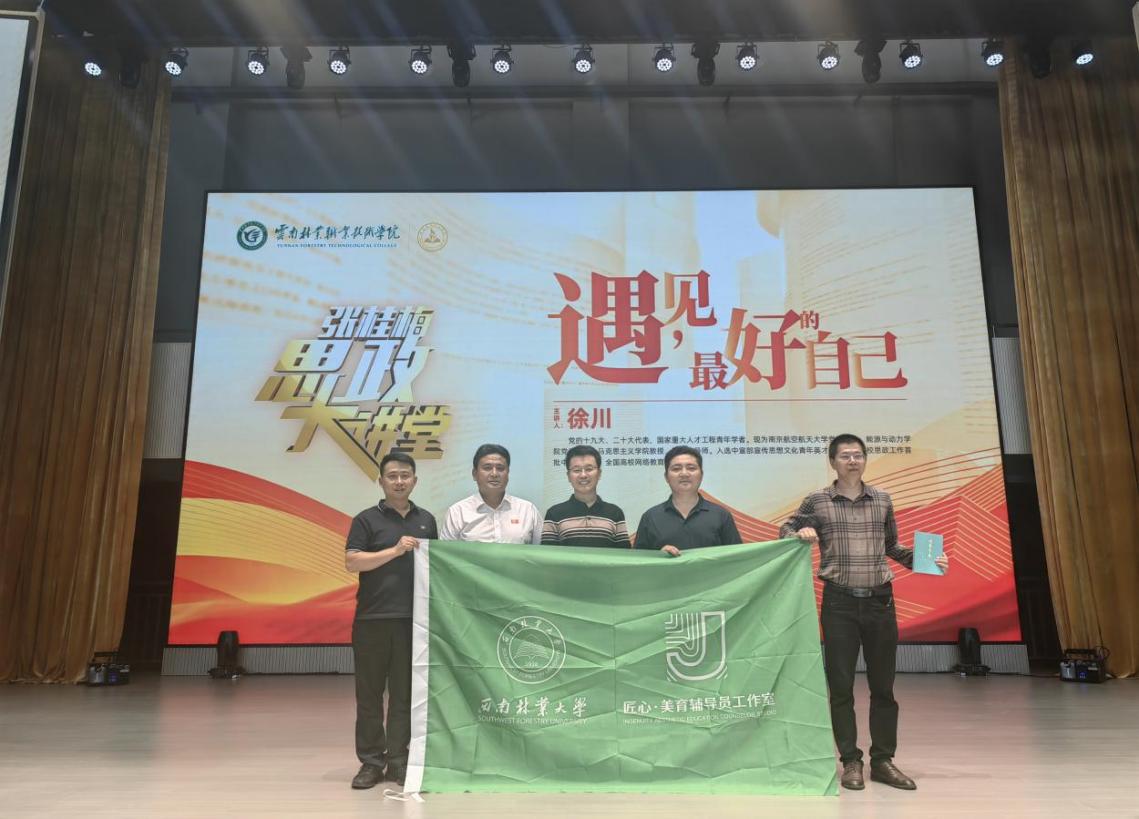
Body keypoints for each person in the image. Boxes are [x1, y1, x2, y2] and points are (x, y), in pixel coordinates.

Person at [780, 433, 949, 792]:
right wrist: (801, 530)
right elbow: (786, 529)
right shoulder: (818, 500)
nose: (852, 461)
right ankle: (851, 761)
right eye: (845, 456)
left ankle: (883, 761)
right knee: (841, 687)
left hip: (880, 602)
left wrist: (927, 561)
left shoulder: (882, 499)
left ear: (865, 460)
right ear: (833, 462)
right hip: (838, 603)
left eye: (858, 455)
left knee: (883, 687)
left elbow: (892, 547)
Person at [344, 452, 438, 790]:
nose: (399, 481)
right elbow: (353, 562)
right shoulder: (366, 520)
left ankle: (399, 760)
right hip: (372, 619)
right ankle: (371, 762)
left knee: (404, 694)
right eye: (393, 476)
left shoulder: (427, 520)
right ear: (381, 480)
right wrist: (395, 550)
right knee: (369, 695)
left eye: (405, 475)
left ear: (415, 480)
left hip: (414, 621)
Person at [633, 445, 741, 554]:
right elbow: (638, 560)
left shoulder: (721, 515)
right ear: (666, 477)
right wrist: (658, 557)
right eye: (676, 469)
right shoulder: (650, 517)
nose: (684, 473)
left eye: (691, 468)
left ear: (701, 475)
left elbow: (737, 558)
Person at [439, 443, 542, 543]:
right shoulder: (457, 513)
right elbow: (444, 552)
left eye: (500, 468)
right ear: (475, 474)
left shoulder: (528, 510)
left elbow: (543, 551)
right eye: (487, 468)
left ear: (508, 473)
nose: (494, 474)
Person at [541, 444, 631, 548]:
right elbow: (547, 555)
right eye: (577, 470)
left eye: (589, 469)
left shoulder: (615, 513)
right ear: (568, 476)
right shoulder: (554, 514)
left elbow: (624, 554)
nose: (583, 475)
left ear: (599, 473)